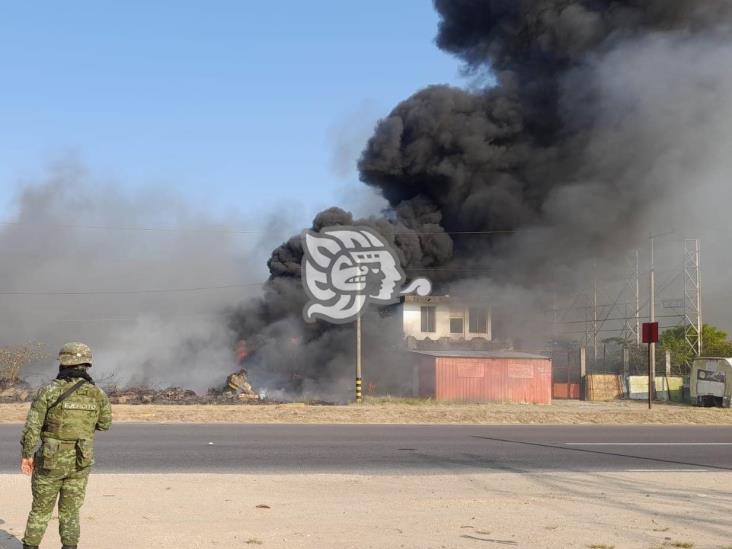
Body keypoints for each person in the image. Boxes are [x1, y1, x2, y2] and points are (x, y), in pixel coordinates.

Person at [19, 342, 112, 549]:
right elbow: (105, 424)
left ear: (63, 363)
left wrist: (27, 455)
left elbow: (33, 426)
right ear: (86, 364)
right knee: (71, 511)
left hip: (50, 461)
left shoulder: (49, 390)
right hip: (81, 460)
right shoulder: (98, 394)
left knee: (41, 510)